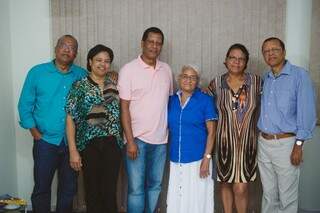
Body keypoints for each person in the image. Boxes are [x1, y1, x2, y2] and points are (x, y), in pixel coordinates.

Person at [18, 35, 87, 213]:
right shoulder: (37, 72)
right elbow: (24, 105)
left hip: (72, 144)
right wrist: (35, 133)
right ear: (56, 49)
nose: (66, 50)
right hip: (45, 142)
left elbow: (98, 86)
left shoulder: (81, 75)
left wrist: (111, 75)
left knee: (69, 188)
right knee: (42, 187)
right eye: (63, 45)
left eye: (71, 48)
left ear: (75, 54)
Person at [258, 37, 317, 213]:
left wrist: (298, 146)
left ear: (284, 52)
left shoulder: (300, 76)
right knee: (268, 195)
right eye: (266, 51)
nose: (271, 54)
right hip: (263, 143)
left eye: (274, 49)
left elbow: (307, 113)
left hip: (286, 145)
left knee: (287, 197)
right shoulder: (266, 78)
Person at [118, 27, 173, 213]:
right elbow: (123, 108)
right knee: (136, 189)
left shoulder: (166, 70)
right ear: (142, 43)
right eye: (151, 42)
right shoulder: (128, 70)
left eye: (158, 43)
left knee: (155, 185)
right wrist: (130, 141)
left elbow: (170, 100)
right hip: (137, 141)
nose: (154, 46)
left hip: (161, 141)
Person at [65, 44, 123, 213]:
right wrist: (73, 151)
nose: (103, 64)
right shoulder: (79, 86)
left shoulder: (114, 85)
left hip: (112, 144)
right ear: (90, 62)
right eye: (98, 60)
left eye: (107, 61)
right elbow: (70, 119)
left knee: (110, 190)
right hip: (89, 145)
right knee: (92, 190)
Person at [208, 43, 262, 213]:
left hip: (248, 145)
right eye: (233, 58)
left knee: (241, 188)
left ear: (246, 62)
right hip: (223, 144)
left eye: (241, 59)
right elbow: (206, 112)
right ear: (226, 60)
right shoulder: (216, 84)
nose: (236, 62)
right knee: (224, 183)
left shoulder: (256, 82)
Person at [166, 65, 218, 213]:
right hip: (176, 159)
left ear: (197, 81)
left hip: (198, 160)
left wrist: (207, 158)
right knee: (178, 199)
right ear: (179, 78)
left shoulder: (205, 100)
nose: (188, 80)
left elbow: (212, 132)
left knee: (198, 199)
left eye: (193, 77)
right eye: (185, 76)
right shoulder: (171, 100)